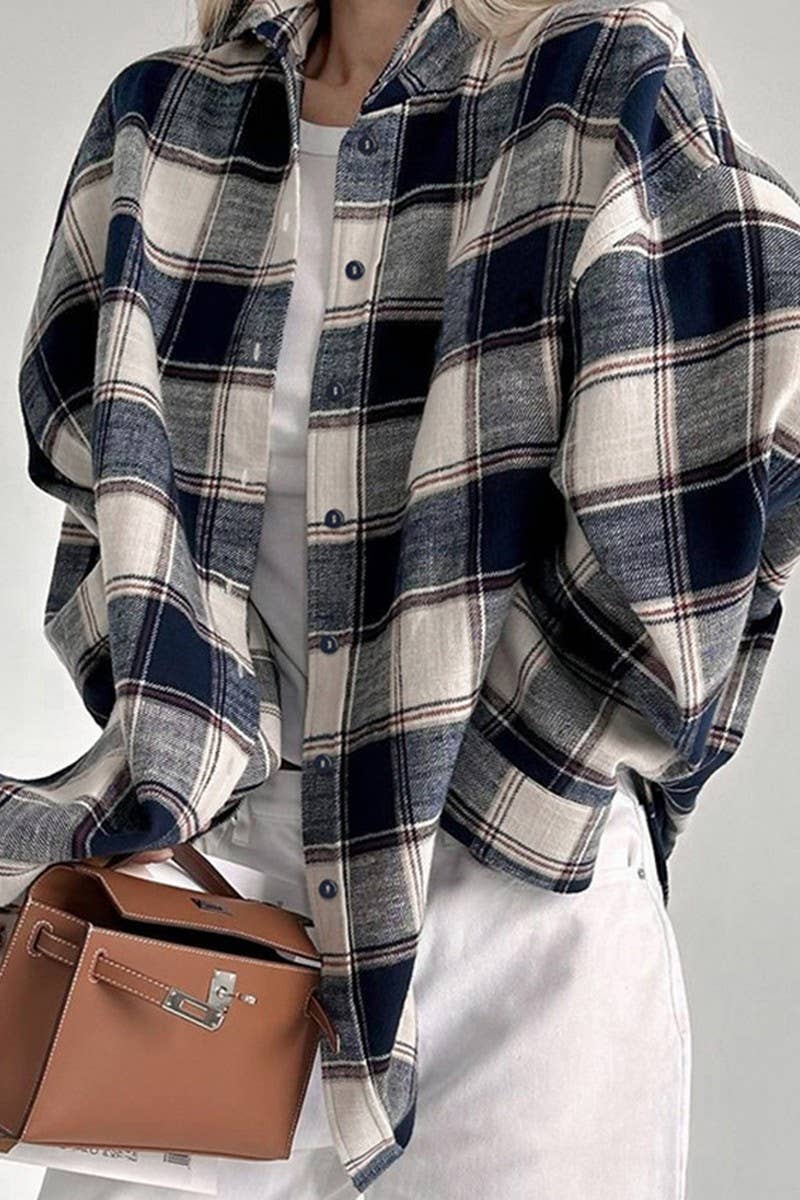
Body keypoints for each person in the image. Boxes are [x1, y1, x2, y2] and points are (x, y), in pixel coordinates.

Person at [6, 0, 800, 1196]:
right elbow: (93, 497)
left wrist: (504, 787)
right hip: (205, 906)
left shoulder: (603, 79)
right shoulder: (161, 119)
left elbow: (718, 472)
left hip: (505, 922)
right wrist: (188, 746)